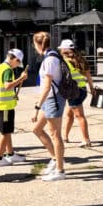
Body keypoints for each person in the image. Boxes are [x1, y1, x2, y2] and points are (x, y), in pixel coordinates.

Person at [32, 31, 67, 182]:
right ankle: (55, 159)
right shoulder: (49, 57)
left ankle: (60, 170)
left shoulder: (50, 59)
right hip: (49, 99)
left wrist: (38, 106)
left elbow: (47, 86)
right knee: (37, 129)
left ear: (38, 44)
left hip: (53, 100)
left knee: (55, 135)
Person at [0, 49, 29, 166]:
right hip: (5, 107)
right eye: (18, 63)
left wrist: (13, 95)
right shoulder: (8, 70)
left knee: (6, 131)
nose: (17, 66)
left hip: (1, 105)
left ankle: (11, 154)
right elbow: (7, 86)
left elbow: (4, 88)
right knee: (4, 132)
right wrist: (21, 79)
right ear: (15, 59)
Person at [59, 39, 96, 147]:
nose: (60, 50)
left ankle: (86, 140)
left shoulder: (64, 61)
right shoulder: (81, 59)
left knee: (79, 116)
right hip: (82, 90)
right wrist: (92, 88)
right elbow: (88, 76)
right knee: (69, 114)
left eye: (61, 49)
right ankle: (65, 137)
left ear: (64, 50)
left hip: (73, 91)